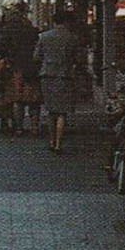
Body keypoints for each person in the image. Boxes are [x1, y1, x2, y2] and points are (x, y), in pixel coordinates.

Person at [34, 10, 83, 154]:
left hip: (47, 75)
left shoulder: (43, 37)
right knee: (62, 112)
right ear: (67, 22)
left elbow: (36, 57)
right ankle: (59, 143)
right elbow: (78, 59)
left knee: (51, 111)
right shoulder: (72, 38)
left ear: (54, 22)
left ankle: (51, 140)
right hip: (66, 75)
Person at [0, 4, 42, 136]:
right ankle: (34, 127)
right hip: (32, 67)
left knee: (17, 99)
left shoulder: (4, 31)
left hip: (14, 67)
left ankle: (19, 128)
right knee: (34, 100)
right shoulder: (32, 31)